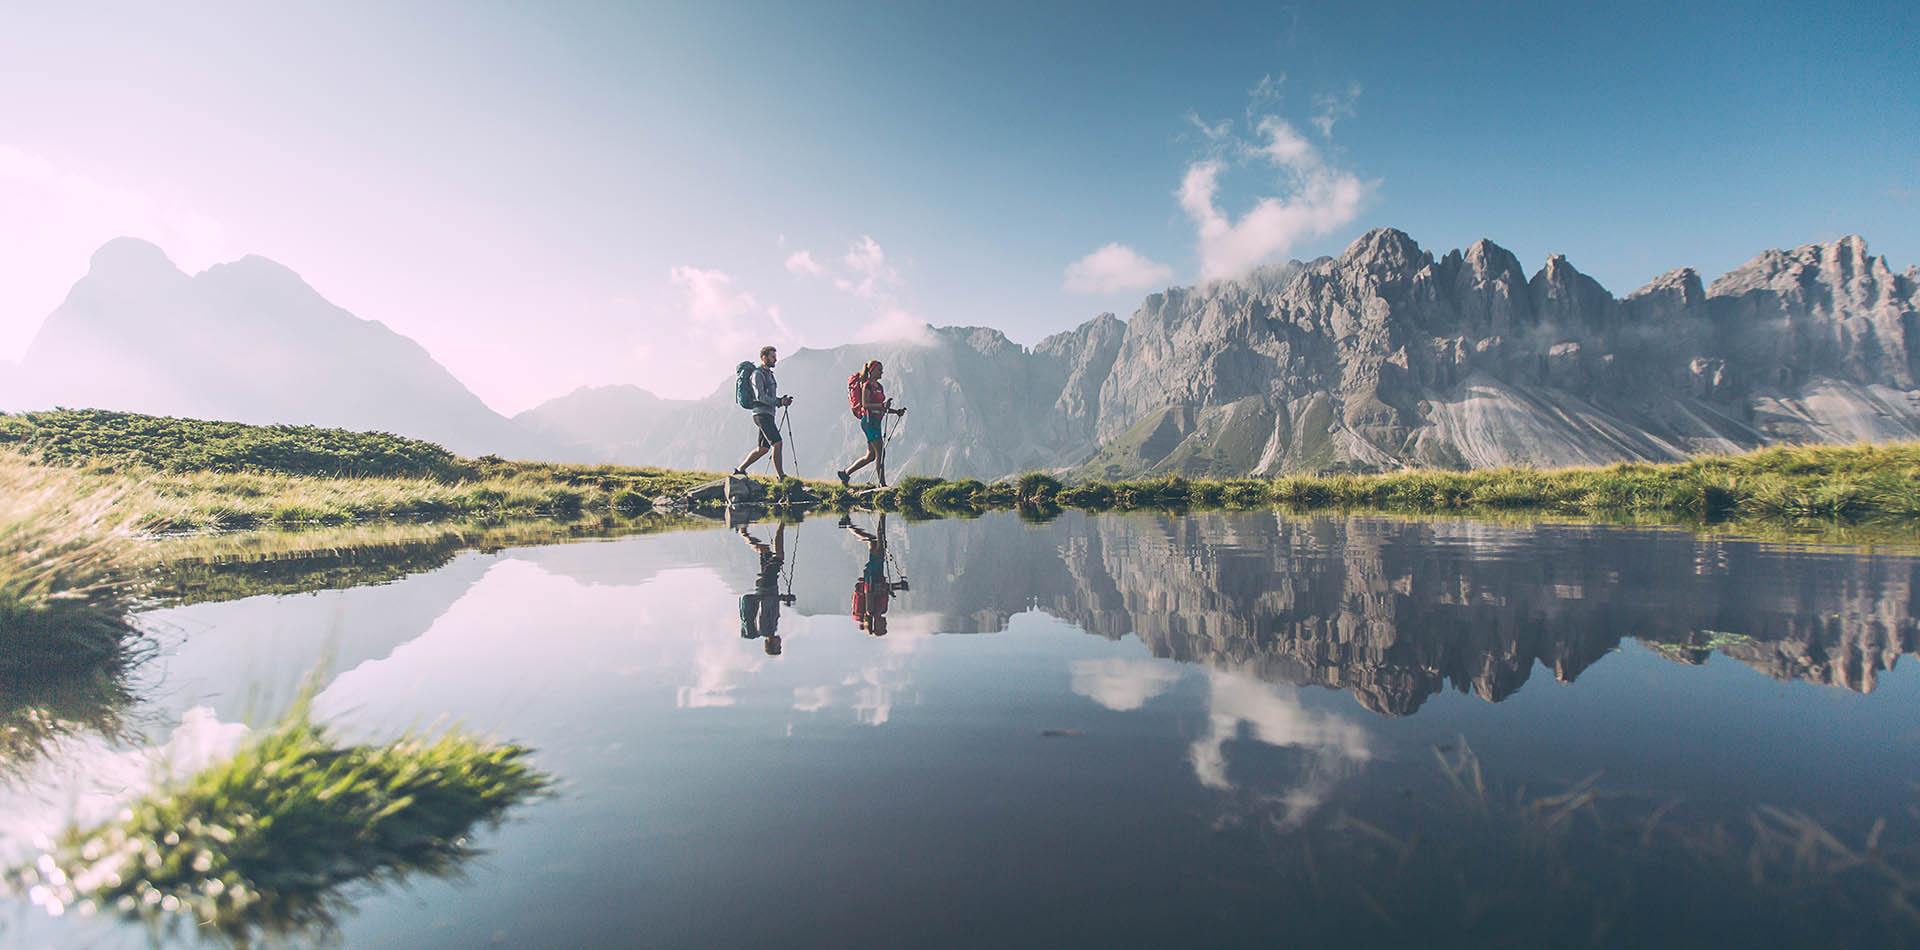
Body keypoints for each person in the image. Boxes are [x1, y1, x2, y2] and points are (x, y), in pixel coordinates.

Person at [835, 359, 906, 488]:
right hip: (869, 421)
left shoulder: (879, 386)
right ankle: (882, 484)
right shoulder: (867, 385)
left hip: (876, 421)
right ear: (872, 370)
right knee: (880, 452)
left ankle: (845, 474)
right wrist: (882, 405)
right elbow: (865, 404)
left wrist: (896, 411)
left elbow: (881, 407)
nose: (882, 372)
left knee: (871, 456)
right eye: (879, 370)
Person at [842, 512, 907, 636]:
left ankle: (882, 514)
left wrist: (895, 586)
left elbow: (870, 591)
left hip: (873, 576)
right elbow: (882, 591)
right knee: (873, 541)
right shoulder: (881, 610)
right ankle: (848, 525)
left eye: (883, 626)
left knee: (880, 542)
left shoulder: (870, 611)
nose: (886, 623)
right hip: (876, 575)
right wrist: (896, 587)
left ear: (877, 625)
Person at [734, 345, 793, 479]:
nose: (775, 359)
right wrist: (779, 402)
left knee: (763, 449)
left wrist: (781, 401)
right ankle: (781, 476)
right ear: (764, 357)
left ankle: (740, 470)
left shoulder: (769, 374)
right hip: (761, 414)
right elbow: (759, 396)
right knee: (777, 443)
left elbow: (768, 397)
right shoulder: (757, 374)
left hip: (767, 414)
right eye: (773, 357)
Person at [737, 520, 794, 656]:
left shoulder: (767, 629)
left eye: (778, 646)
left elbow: (767, 603)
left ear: (771, 644)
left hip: (768, 585)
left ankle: (782, 523)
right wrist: (782, 598)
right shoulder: (769, 629)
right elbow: (769, 604)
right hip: (766, 585)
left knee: (778, 556)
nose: (780, 644)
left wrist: (782, 597)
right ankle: (743, 533)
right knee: (765, 550)